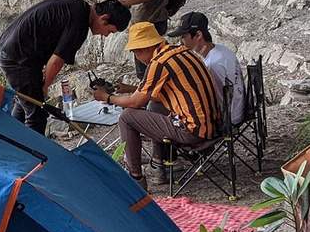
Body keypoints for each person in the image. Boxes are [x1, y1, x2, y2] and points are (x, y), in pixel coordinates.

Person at [92, 21, 220, 188]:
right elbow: (162, 94)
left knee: (127, 117)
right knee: (154, 106)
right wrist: (130, 89)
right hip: (214, 125)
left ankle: (135, 178)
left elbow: (136, 102)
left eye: (135, 53)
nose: (136, 58)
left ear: (143, 49)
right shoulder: (182, 52)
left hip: (193, 131)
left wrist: (107, 97)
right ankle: (159, 164)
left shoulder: (159, 62)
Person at [0, 0, 131, 135]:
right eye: (109, 31)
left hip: (13, 51)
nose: (106, 35)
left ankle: (9, 143)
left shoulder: (78, 6)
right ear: (104, 18)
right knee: (37, 114)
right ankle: (31, 154)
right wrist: (45, 86)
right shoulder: (79, 23)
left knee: (25, 103)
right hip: (18, 59)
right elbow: (56, 61)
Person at [168, 12, 245, 126]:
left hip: (227, 118)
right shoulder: (222, 50)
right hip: (239, 110)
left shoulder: (212, 65)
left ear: (198, 35)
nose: (180, 42)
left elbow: (210, 100)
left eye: (183, 36)